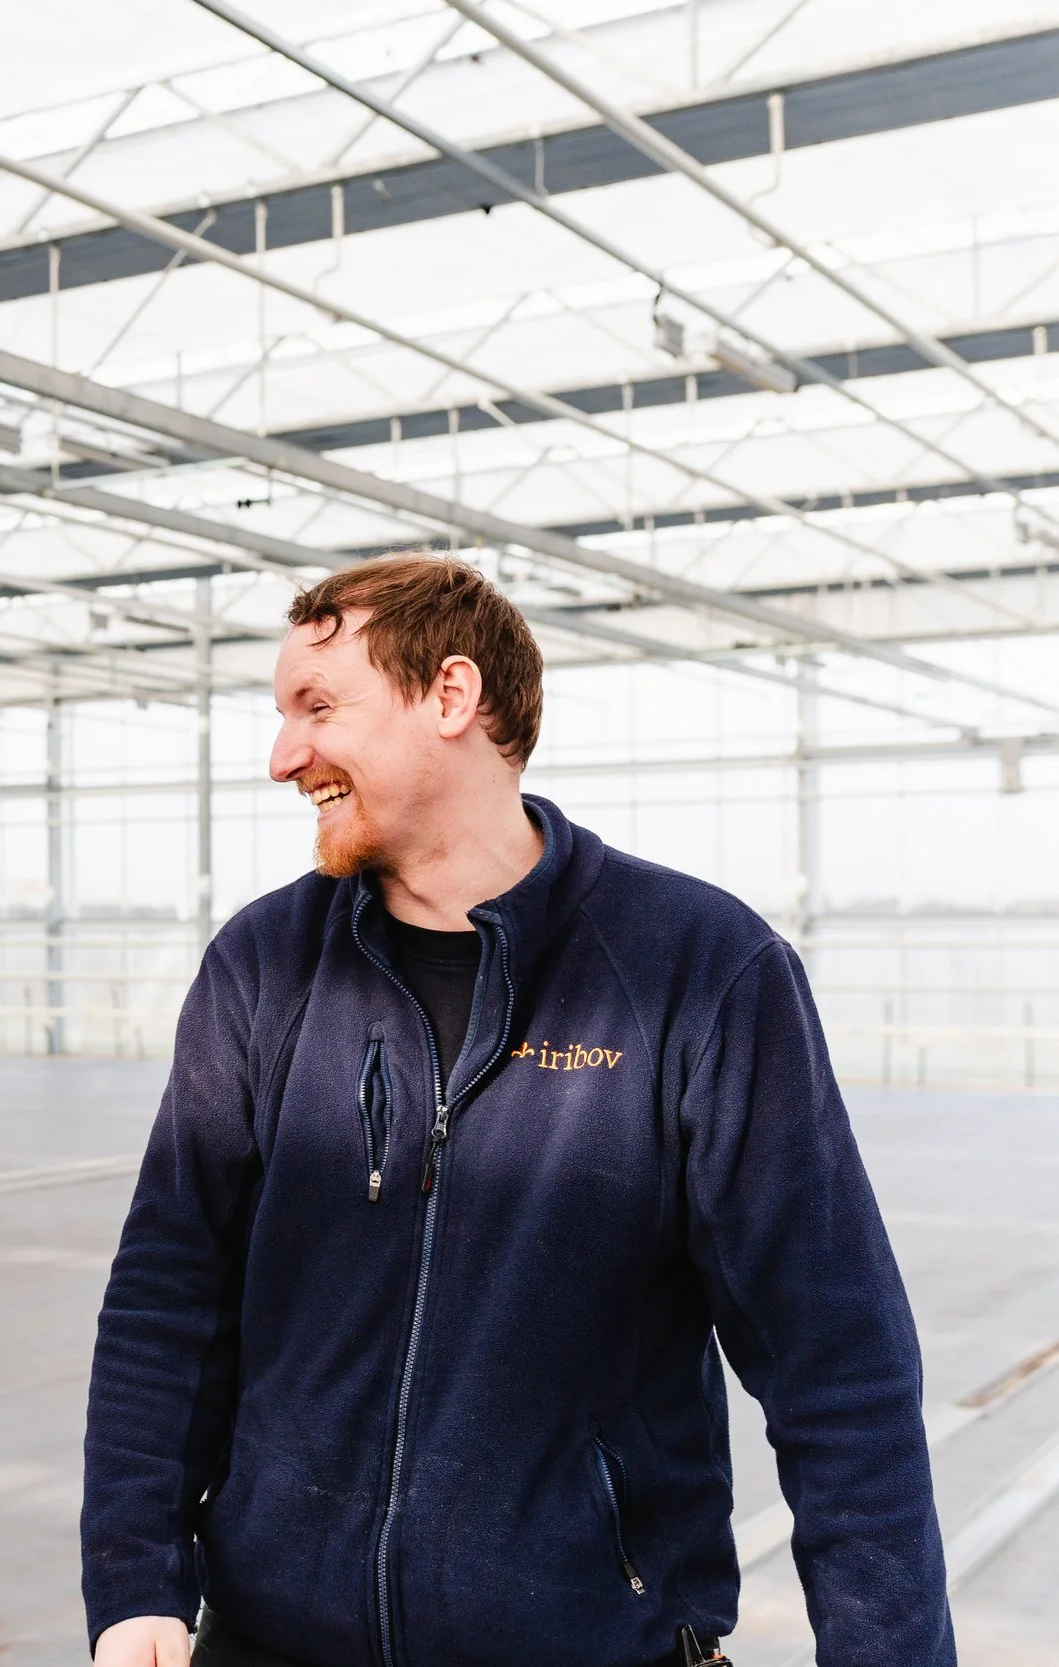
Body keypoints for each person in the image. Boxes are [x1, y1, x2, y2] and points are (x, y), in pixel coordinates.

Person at [80, 556, 950, 1667]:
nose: (283, 755)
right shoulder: (262, 964)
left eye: (318, 707)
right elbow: (169, 1294)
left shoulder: (697, 969)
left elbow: (836, 1360)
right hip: (268, 1638)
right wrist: (134, 1579)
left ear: (449, 696)